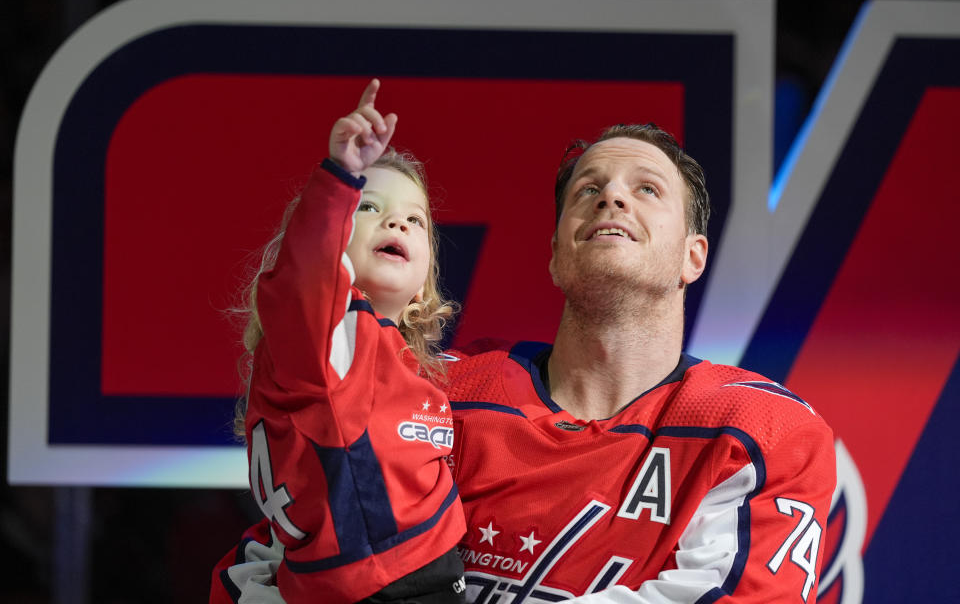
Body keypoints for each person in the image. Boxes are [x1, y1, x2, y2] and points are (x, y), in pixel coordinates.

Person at [212, 99, 836, 603]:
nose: (611, 197)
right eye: (587, 189)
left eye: (646, 190)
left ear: (692, 257)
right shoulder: (438, 391)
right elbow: (288, 553)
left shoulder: (762, 430)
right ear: (557, 252)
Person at [219, 79, 467, 603]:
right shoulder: (326, 335)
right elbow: (306, 278)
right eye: (369, 206)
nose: (397, 219)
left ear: (425, 287)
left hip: (419, 577)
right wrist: (340, 177)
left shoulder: (412, 366)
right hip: (373, 585)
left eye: (416, 219)